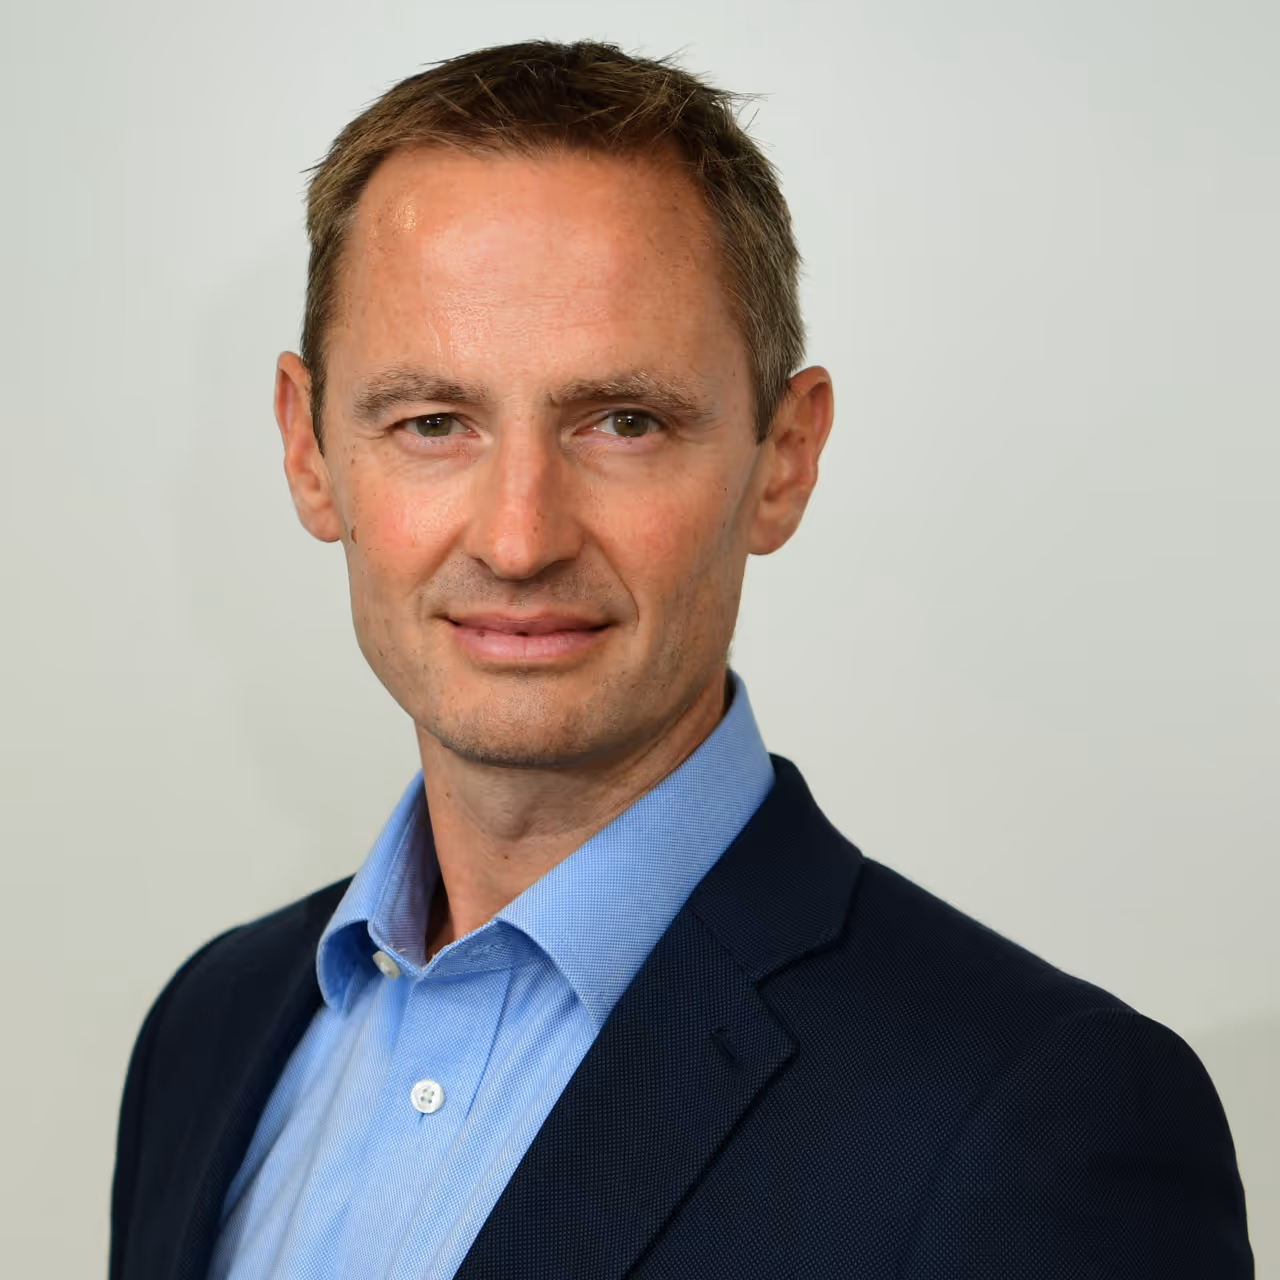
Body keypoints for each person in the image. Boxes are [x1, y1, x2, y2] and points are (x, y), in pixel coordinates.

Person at [108, 39, 1253, 1280]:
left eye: (622, 422)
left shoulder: (1044, 1116)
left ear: (783, 457)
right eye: (433, 422)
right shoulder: (206, 1031)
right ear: (309, 448)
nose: (517, 535)